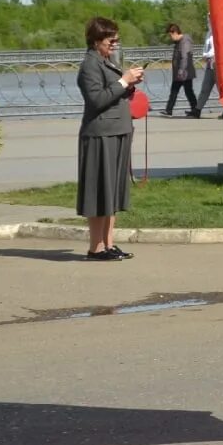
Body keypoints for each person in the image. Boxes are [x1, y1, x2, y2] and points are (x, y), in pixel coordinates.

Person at [76, 17, 143, 262]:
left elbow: (113, 91)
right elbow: (97, 100)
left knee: (112, 191)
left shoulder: (106, 61)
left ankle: (109, 244)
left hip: (117, 131)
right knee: (99, 191)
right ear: (96, 41)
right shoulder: (89, 66)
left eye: (117, 39)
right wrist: (124, 81)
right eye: (110, 40)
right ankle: (96, 248)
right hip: (100, 135)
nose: (115, 44)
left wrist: (129, 84)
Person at [163, 22, 199, 117]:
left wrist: (181, 70)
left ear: (175, 32)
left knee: (188, 91)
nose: (170, 38)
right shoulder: (178, 42)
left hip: (185, 72)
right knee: (176, 90)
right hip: (181, 72)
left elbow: (184, 57)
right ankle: (169, 110)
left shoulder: (185, 41)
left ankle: (195, 110)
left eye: (170, 35)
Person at [194, 16, 219, 115]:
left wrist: (209, 55)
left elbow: (218, 48)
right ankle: (197, 110)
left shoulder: (219, 32)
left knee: (222, 90)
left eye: (210, 19)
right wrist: (204, 55)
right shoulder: (209, 34)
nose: (208, 21)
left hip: (217, 65)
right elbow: (206, 48)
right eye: (208, 19)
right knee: (205, 88)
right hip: (209, 64)